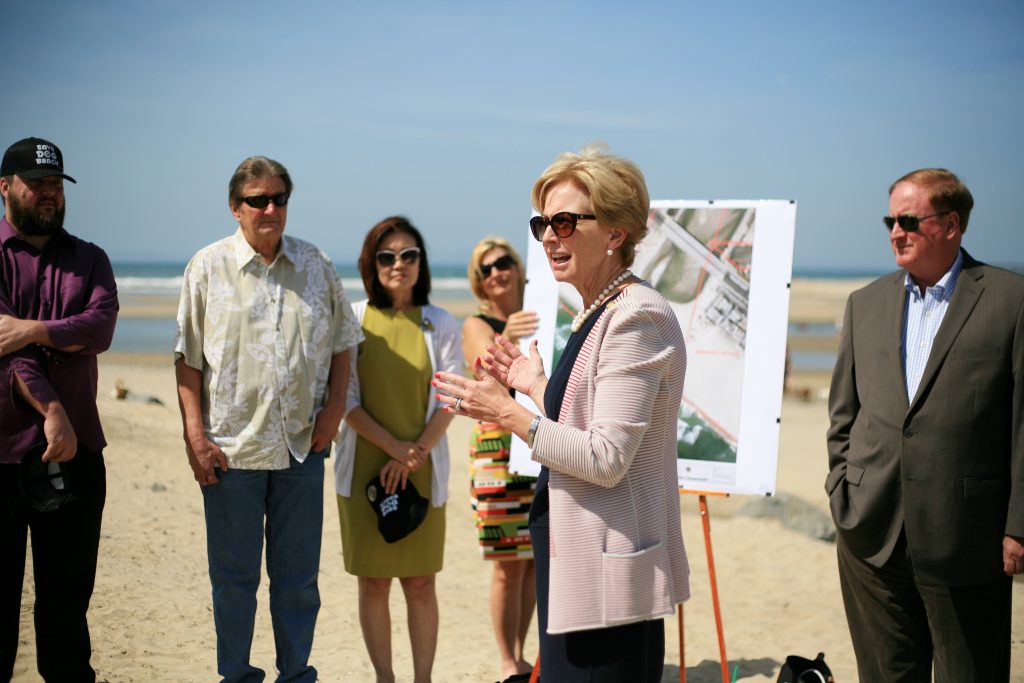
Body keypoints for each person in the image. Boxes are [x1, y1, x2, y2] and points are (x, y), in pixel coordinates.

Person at [434, 145, 690, 681]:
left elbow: (605, 458)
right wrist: (535, 387)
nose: (549, 237)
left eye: (566, 222)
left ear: (617, 233)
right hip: (578, 565)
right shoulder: (597, 310)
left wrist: (508, 413)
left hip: (608, 581)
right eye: (542, 223)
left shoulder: (634, 317)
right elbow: (588, 422)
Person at [826, 168, 1024, 682]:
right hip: (870, 535)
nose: (896, 231)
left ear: (951, 224)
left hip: (967, 536)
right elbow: (843, 416)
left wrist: (1018, 525)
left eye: (909, 220)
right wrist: (841, 492)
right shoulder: (864, 303)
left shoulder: (1011, 300)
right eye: (891, 219)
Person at [174, 156, 360, 683]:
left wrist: (333, 412)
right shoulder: (206, 268)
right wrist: (195, 436)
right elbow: (186, 358)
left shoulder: (316, 264)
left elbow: (345, 342)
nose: (270, 208)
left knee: (298, 581)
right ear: (236, 208)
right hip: (232, 452)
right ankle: (236, 676)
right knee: (233, 581)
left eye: (279, 198)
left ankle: (295, 675)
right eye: (257, 200)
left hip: (302, 449)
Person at [0, 137, 118, 682]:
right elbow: (8, 351)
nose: (48, 193)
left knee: (67, 610)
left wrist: (34, 329)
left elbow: (99, 328)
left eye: (55, 184)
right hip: (2, 453)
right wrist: (51, 407)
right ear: (5, 188)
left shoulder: (90, 259)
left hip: (76, 458)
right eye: (36, 183)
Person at [334, 216, 461, 683]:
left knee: (421, 582)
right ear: (372, 263)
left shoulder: (440, 321)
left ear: (420, 262)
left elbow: (452, 396)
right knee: (373, 583)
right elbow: (343, 399)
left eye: (409, 255)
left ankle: (422, 679)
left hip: (423, 464)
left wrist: (414, 454)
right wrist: (393, 449)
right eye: (387, 256)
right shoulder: (352, 318)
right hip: (366, 464)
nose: (399, 264)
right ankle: (384, 678)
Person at [462, 237, 538, 682]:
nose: (496, 273)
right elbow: (479, 370)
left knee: (529, 562)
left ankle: (522, 654)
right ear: (479, 282)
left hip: (538, 442)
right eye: (485, 269)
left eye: (503, 262)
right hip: (496, 448)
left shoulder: (545, 308)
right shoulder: (477, 322)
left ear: (518, 266)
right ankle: (508, 662)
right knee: (507, 565)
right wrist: (507, 335)